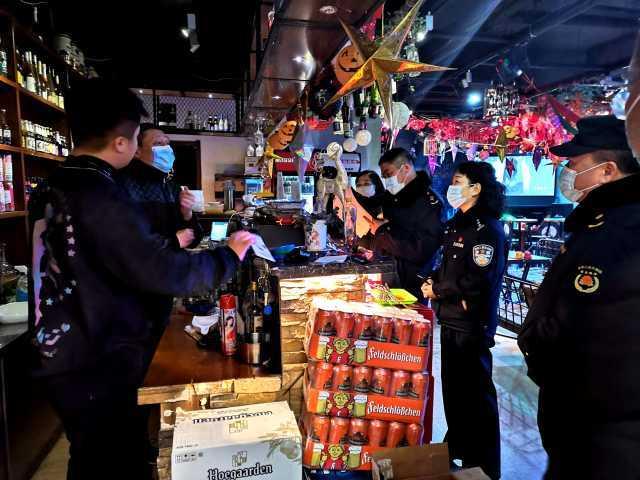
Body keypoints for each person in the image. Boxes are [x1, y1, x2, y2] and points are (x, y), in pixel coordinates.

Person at [28, 78, 255, 480]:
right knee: (113, 461)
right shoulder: (102, 195)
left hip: (59, 347)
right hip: (96, 356)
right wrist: (229, 255)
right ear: (121, 142)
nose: (136, 148)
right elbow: (161, 269)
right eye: (136, 138)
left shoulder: (53, 184)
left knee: (91, 456)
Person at [517, 115, 640, 479]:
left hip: (599, 423)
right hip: (582, 414)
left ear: (607, 170)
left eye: (574, 163)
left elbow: (594, 322)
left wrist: (541, 340)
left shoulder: (620, 231)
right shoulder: (597, 221)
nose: (567, 172)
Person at [422, 161, 507, 480]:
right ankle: (459, 448)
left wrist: (438, 290)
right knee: (455, 394)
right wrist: (432, 280)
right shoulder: (456, 223)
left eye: (458, 181)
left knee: (477, 396)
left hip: (473, 324)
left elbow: (479, 280)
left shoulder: (487, 230)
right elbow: (447, 265)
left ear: (476, 188)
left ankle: (485, 465)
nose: (452, 187)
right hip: (451, 318)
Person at [118, 124, 205, 365]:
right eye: (158, 144)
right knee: (135, 355)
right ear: (137, 150)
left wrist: (187, 214)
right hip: (135, 292)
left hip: (164, 286)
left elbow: (195, 237)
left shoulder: (170, 186)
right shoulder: (123, 186)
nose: (166, 149)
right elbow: (127, 244)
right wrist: (174, 240)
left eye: (167, 143)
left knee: (159, 351)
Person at [367, 148, 443, 298]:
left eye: (389, 174)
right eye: (384, 176)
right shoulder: (392, 196)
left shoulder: (429, 202)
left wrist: (382, 231)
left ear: (406, 168)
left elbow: (421, 249)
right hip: (387, 272)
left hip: (411, 281)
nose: (386, 180)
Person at [351, 170, 385, 248]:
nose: (362, 187)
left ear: (377, 185)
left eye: (366, 184)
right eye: (358, 185)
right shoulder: (355, 206)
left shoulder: (386, 206)